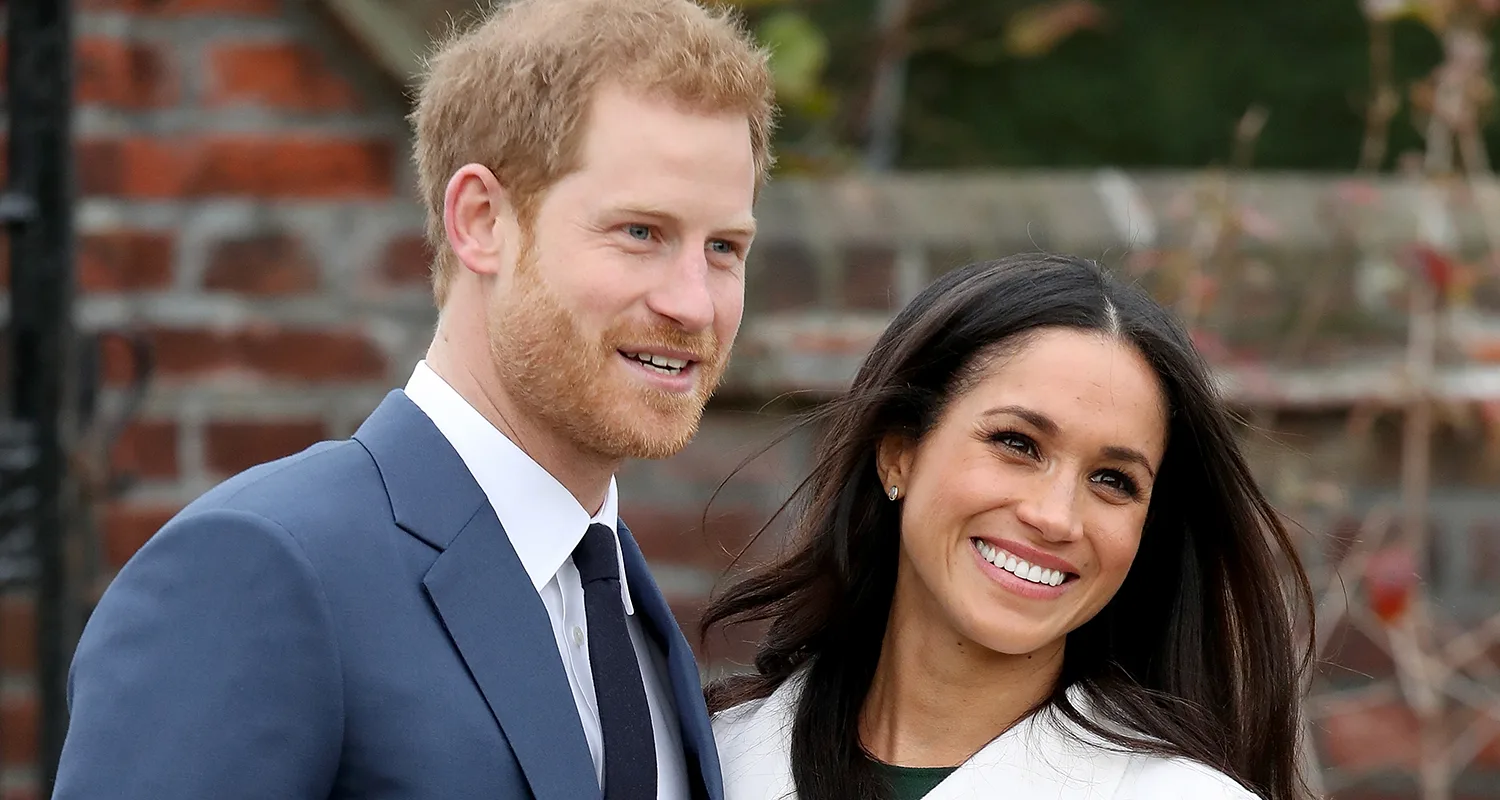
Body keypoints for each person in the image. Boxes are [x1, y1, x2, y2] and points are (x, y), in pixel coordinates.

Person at [53, 1, 775, 798]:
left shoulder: (631, 617)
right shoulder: (261, 567)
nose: (695, 304)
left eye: (723, 248)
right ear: (480, 220)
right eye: (640, 232)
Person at [702, 253, 1317, 800]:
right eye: (1017, 443)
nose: (1054, 516)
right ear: (899, 453)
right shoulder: (706, 760)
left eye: (1113, 480)